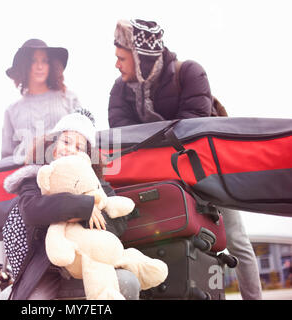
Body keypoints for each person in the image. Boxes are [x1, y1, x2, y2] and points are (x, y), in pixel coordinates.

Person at [108, 19, 262, 300]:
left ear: (140, 56)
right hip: (160, 178)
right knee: (159, 240)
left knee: (237, 241)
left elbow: (193, 128)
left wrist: (151, 142)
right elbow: (123, 139)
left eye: (121, 57)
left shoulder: (189, 72)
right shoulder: (119, 91)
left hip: (207, 172)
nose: (116, 65)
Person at [2, 112, 142, 300]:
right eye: (66, 142)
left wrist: (80, 224)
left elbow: (118, 222)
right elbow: (31, 210)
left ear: (87, 155)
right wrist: (82, 206)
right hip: (46, 267)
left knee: (126, 282)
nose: (70, 149)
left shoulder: (96, 184)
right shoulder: (35, 178)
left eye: (79, 147)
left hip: (88, 261)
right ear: (53, 146)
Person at [2, 38, 82, 163]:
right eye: (34, 61)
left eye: (44, 61)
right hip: (26, 177)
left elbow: (84, 139)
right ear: (24, 66)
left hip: (65, 172)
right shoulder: (12, 111)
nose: (40, 66)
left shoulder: (69, 98)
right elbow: (6, 157)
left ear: (51, 65)